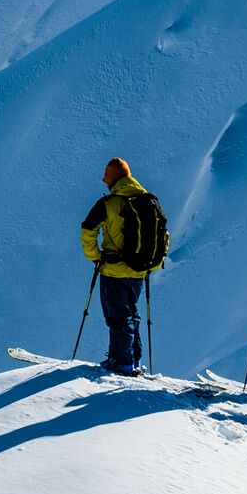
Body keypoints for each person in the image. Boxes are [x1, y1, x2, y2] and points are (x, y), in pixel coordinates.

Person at [79, 157, 166, 375]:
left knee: (118, 318)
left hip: (113, 270)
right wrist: (152, 264)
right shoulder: (148, 202)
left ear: (114, 179)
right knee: (131, 314)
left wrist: (95, 257)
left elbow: (88, 230)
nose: (104, 181)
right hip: (139, 270)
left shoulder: (109, 204)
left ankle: (122, 363)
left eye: (107, 177)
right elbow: (164, 235)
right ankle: (133, 360)